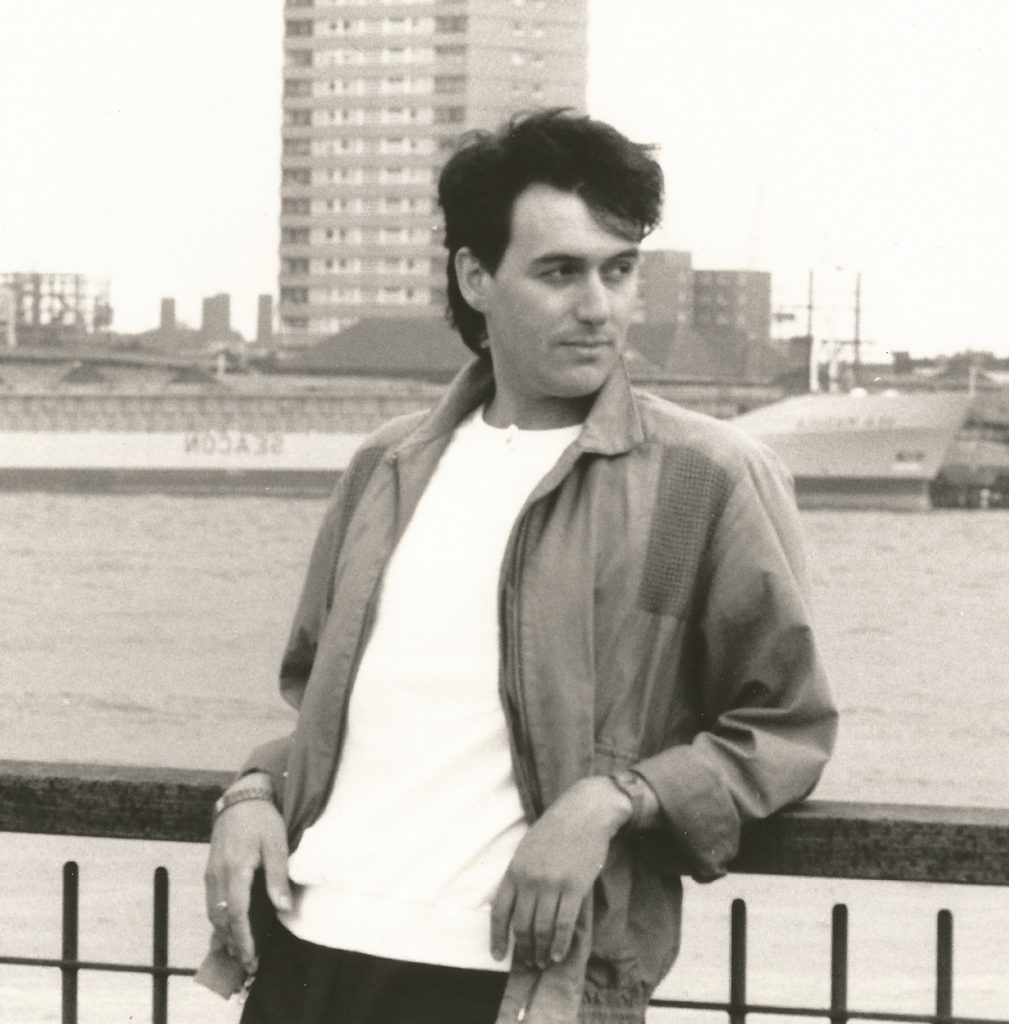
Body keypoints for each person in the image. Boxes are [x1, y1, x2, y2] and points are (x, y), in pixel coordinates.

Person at [199, 109, 837, 1024]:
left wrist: (615, 800)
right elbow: (330, 704)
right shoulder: (388, 468)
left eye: (619, 271)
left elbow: (785, 727)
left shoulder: (705, 479)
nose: (599, 306)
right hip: (309, 956)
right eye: (559, 271)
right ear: (474, 277)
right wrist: (255, 788)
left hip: (521, 981)